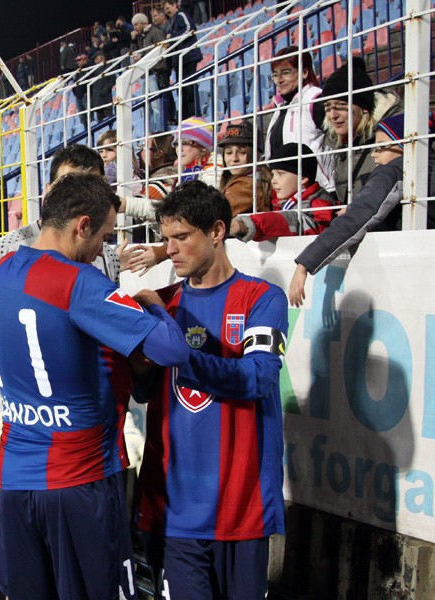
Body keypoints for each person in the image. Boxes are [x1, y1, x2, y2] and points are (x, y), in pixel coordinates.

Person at [0, 172, 188, 599]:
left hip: (16, 476)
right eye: (104, 235)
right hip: (80, 478)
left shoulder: (2, 270)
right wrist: (151, 304)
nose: (101, 249)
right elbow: (171, 350)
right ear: (82, 225)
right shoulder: (80, 282)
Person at [0, 144, 120, 550]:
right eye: (69, 183)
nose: (82, 194)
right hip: (18, 434)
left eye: (93, 185)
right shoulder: (4, 251)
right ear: (49, 191)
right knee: (19, 558)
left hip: (81, 441)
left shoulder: (106, 255)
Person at [133, 180, 288, 599]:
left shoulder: (262, 299)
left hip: (242, 506)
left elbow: (258, 378)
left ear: (217, 231)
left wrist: (178, 352)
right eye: (166, 238)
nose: (170, 249)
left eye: (182, 237)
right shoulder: (160, 303)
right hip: (174, 508)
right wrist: (141, 364)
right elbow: (145, 392)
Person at [289, 112, 435, 307]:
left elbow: (360, 215)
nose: (374, 154)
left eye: (381, 147)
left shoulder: (394, 170)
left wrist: (305, 264)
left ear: (405, 145)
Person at [319, 57, 402, 203]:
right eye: (327, 107)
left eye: (341, 105)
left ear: (364, 108)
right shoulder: (338, 142)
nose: (333, 115)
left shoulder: (394, 135)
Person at [230, 143, 338, 242]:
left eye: (280, 174)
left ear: (303, 177)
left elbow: (297, 222)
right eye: (273, 174)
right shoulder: (281, 202)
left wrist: (248, 224)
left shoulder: (319, 205)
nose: (273, 180)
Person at [263, 46, 334, 192]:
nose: (279, 80)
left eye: (286, 72)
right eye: (275, 75)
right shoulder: (281, 106)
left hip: (318, 191)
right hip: (289, 191)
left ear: (304, 72)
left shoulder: (316, 99)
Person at [217, 119, 272, 215]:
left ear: (256, 155)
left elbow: (215, 214)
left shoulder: (246, 185)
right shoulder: (257, 177)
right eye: (229, 152)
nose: (234, 158)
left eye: (242, 152)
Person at [164, 0, 203, 121]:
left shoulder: (181, 14)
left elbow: (190, 29)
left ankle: (194, 116)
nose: (167, 11)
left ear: (175, 5)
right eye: (165, 9)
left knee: (189, 88)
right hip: (180, 60)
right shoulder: (173, 21)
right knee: (182, 90)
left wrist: (173, 37)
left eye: (168, 7)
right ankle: (185, 118)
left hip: (188, 57)